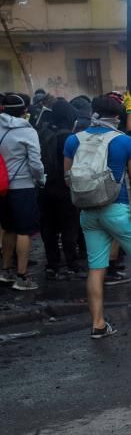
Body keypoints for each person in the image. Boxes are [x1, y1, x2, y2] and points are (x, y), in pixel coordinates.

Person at [64, 93, 131, 336]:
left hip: (88, 212)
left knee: (96, 267)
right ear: (117, 116)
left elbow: (67, 178)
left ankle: (98, 324)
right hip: (119, 209)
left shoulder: (73, 140)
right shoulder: (125, 141)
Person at [0, 93, 44, 290]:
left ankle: (6, 270)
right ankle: (22, 276)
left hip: (2, 187)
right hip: (23, 186)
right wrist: (40, 178)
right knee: (24, 232)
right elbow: (35, 163)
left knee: (8, 228)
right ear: (24, 111)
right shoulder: (28, 132)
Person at [38, 99, 84, 280]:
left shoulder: (42, 133)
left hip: (44, 187)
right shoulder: (70, 138)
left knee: (48, 227)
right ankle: (72, 262)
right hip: (65, 188)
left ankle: (52, 263)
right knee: (69, 226)